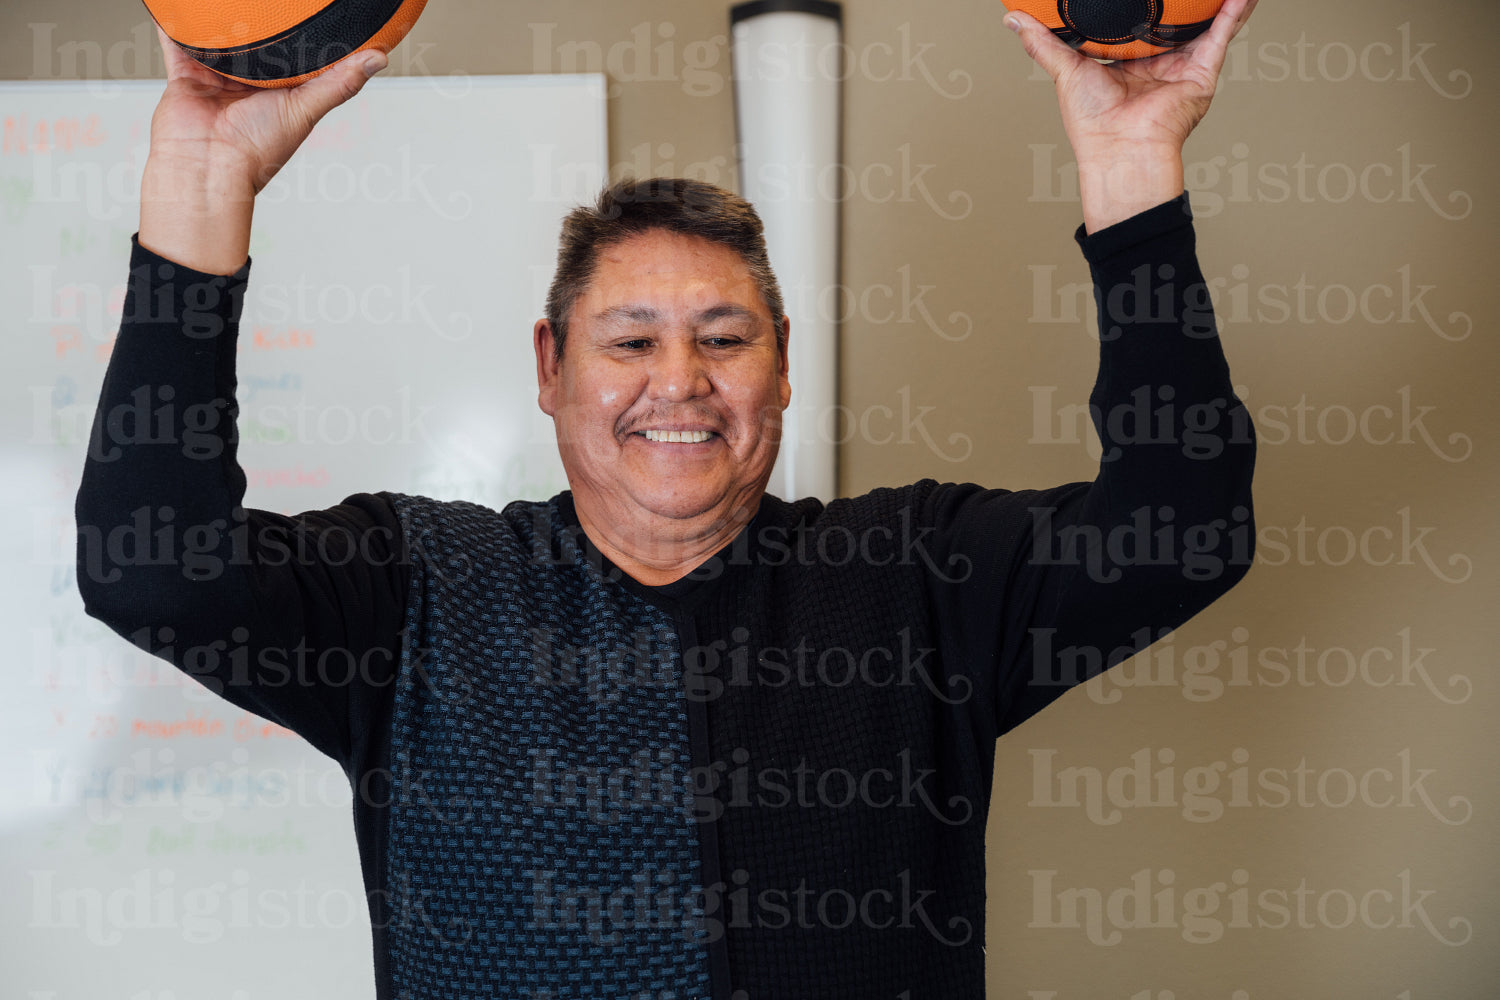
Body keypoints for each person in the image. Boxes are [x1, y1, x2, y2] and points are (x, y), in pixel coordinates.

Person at [76, 1, 1260, 997]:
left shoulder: (920, 574)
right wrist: (202, 173)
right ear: (550, 369)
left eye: (725, 337)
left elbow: (1184, 528)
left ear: (783, 364)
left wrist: (1129, 167)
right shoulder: (410, 589)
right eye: (630, 339)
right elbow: (150, 563)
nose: (679, 382)